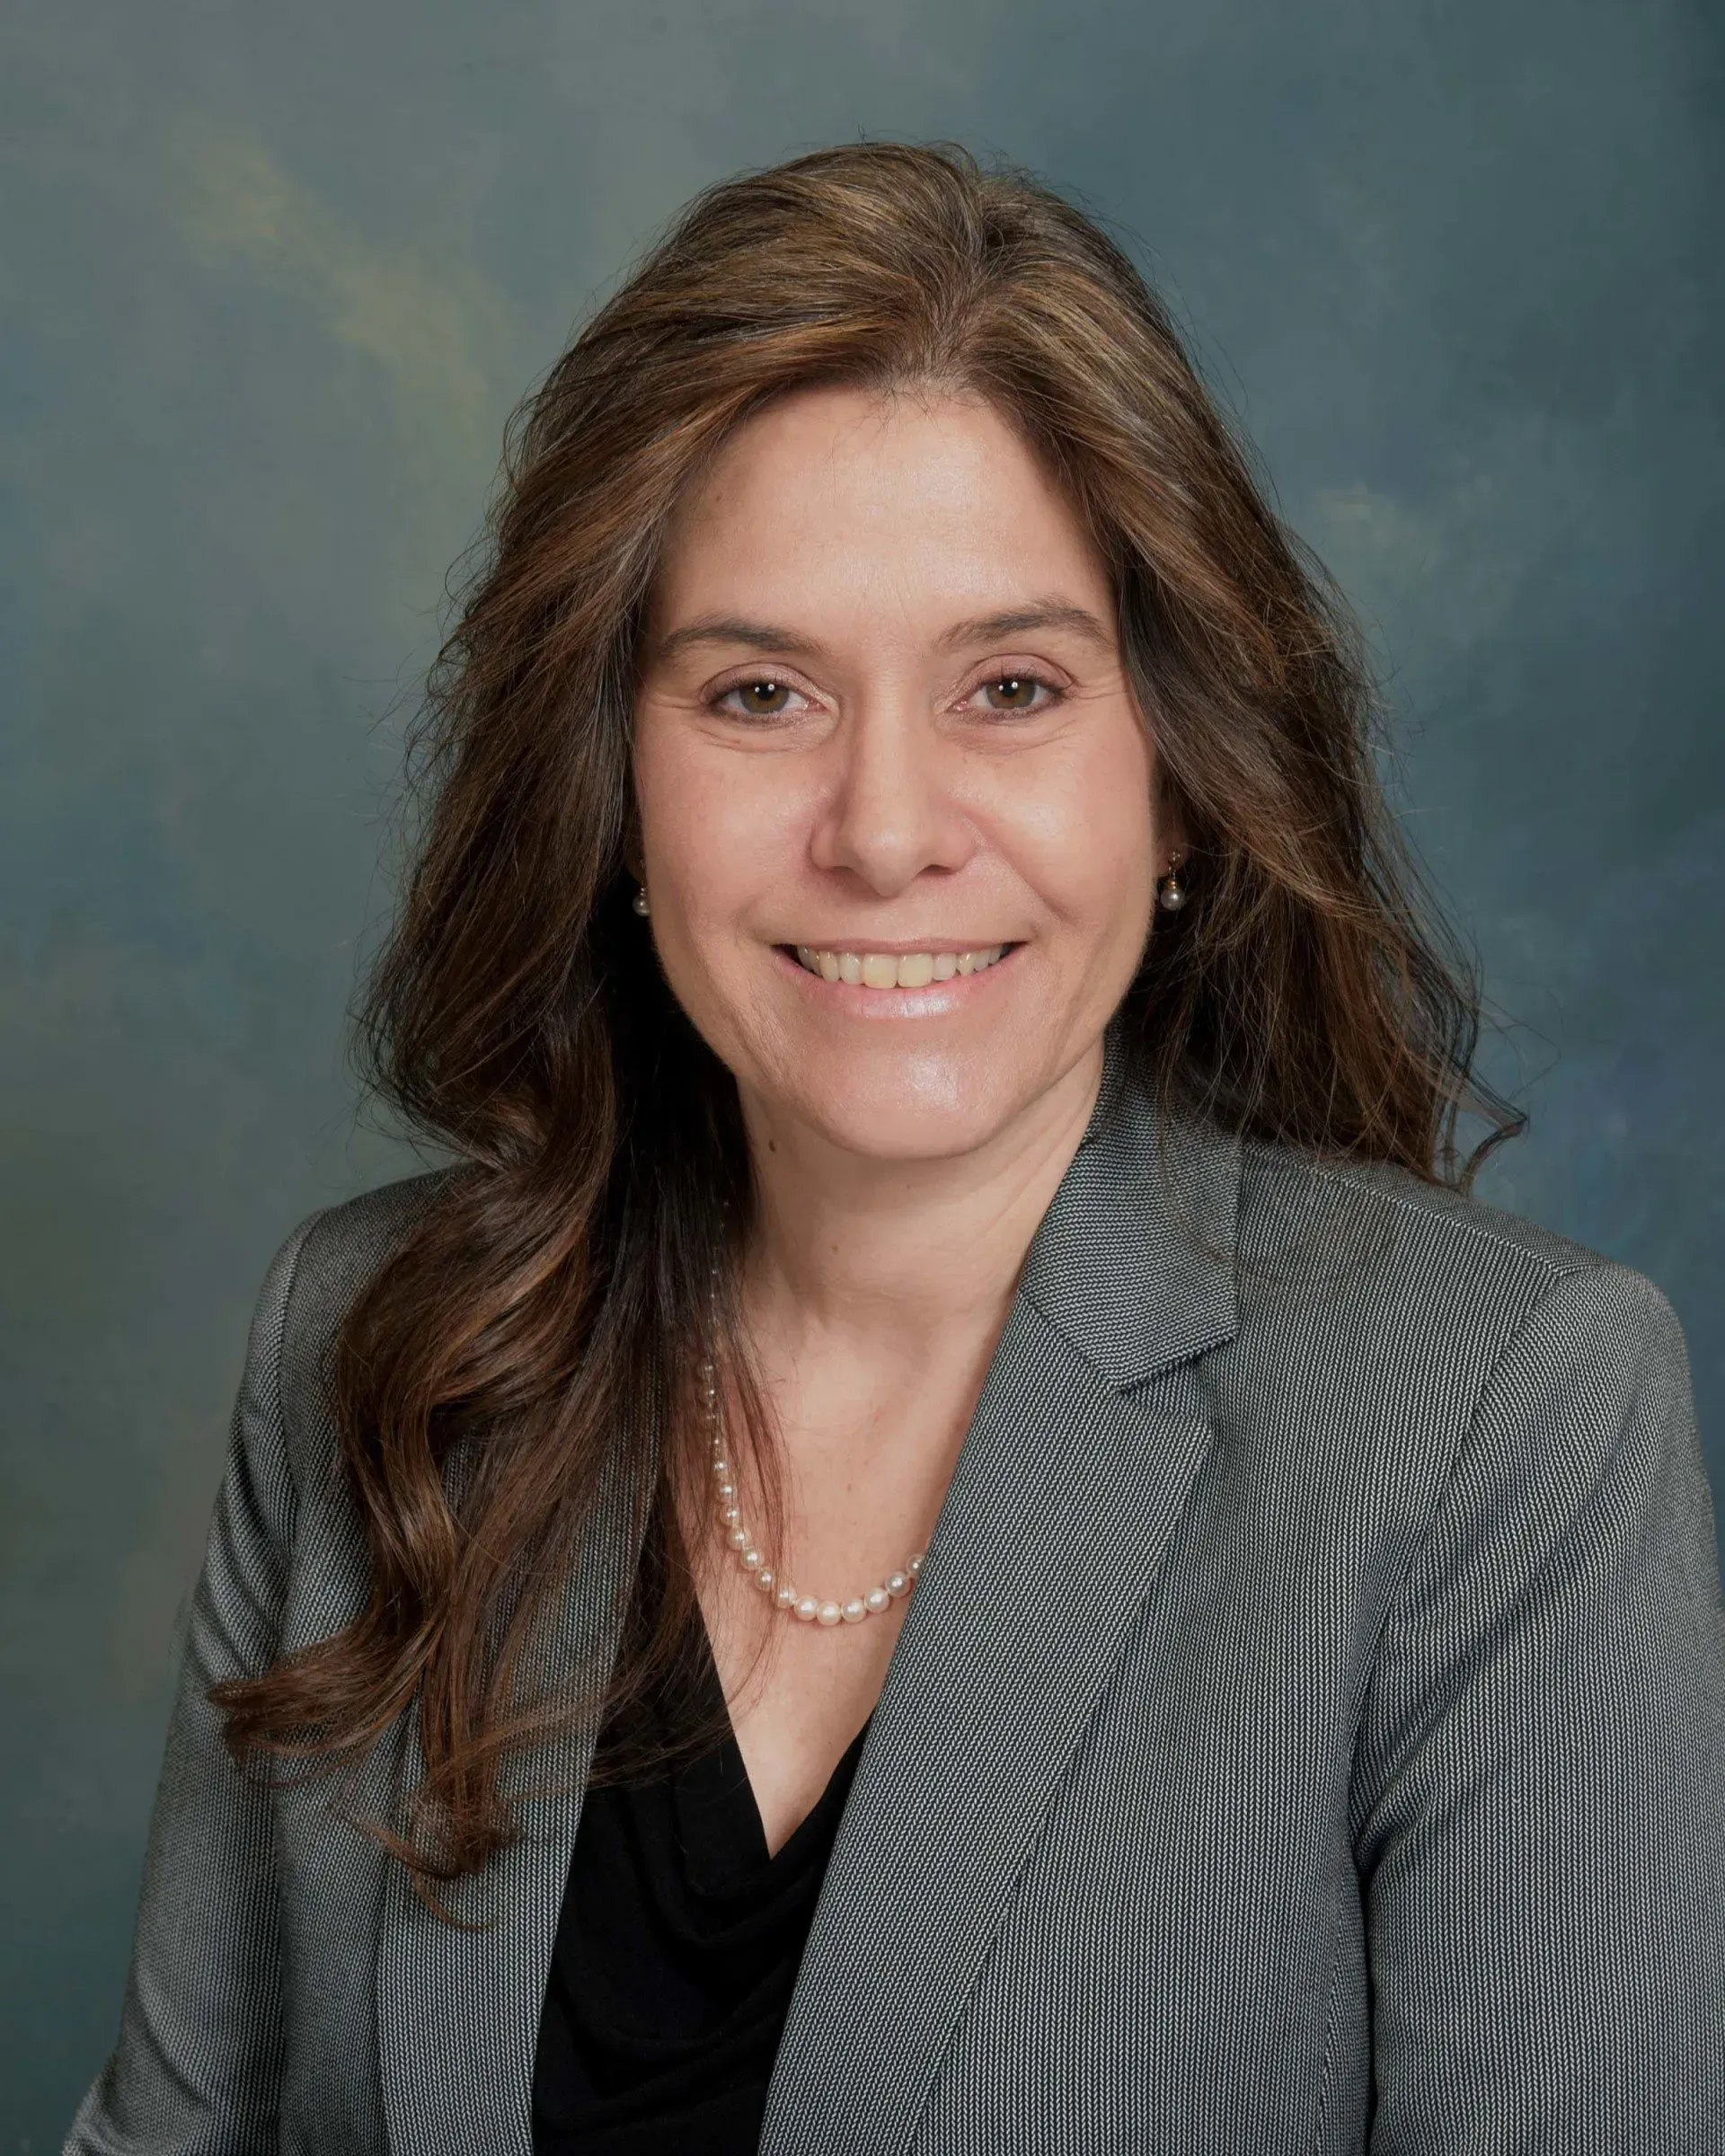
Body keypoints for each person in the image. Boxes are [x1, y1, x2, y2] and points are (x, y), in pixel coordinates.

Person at [67, 140, 1724, 2156]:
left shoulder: (1502, 1428)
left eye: (1010, 688)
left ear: (1180, 788)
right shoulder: (366, 1348)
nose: (881, 824)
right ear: (611, 795)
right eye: (759, 693)